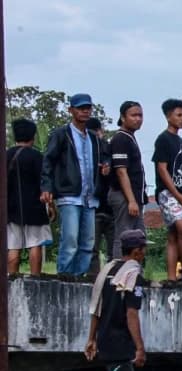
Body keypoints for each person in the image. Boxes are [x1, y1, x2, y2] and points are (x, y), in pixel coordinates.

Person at [85, 229, 149, 371]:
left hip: (105, 338)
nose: (145, 252)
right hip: (122, 342)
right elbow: (132, 314)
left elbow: (96, 308)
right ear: (136, 251)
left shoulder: (108, 270)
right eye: (143, 248)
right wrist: (140, 347)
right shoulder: (134, 276)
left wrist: (91, 338)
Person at [41, 93, 107, 276]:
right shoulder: (61, 134)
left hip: (89, 196)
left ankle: (79, 278)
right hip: (69, 194)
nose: (85, 111)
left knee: (88, 242)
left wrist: (106, 165)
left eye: (88, 108)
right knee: (70, 240)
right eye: (80, 108)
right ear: (71, 110)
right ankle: (65, 277)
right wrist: (47, 187)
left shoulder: (94, 138)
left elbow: (106, 154)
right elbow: (48, 161)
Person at [154, 99, 182, 281]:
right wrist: (177, 195)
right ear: (168, 116)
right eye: (179, 115)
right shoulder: (163, 139)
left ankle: (172, 276)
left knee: (174, 235)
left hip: (181, 192)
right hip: (168, 193)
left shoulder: (179, 140)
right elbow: (162, 169)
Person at [8, 119, 52, 275]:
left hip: (11, 209)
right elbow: (45, 181)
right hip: (34, 207)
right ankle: (35, 278)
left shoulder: (6, 155)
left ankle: (11, 280)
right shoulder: (37, 156)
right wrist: (51, 205)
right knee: (35, 244)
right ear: (32, 137)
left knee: (13, 246)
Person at [109, 101, 147, 259]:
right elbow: (121, 171)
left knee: (138, 238)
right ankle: (119, 272)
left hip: (135, 196)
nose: (138, 119)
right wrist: (131, 200)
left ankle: (133, 272)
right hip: (123, 196)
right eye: (133, 115)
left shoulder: (130, 138)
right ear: (123, 117)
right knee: (124, 237)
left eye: (140, 115)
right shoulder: (120, 139)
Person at [87, 117, 114, 276]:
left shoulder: (85, 150)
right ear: (100, 131)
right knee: (113, 251)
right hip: (109, 205)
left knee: (92, 249)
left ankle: (93, 279)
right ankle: (111, 278)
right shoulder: (108, 148)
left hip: (93, 206)